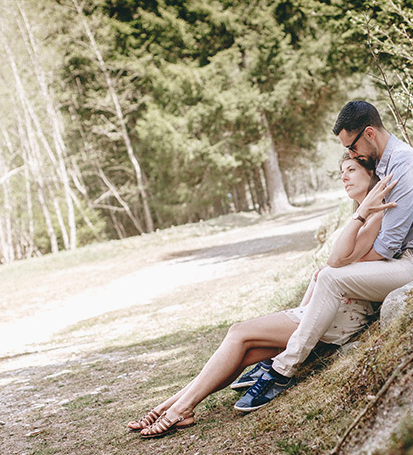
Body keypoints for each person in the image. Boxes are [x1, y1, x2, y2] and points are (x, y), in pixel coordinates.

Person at [128, 155, 396, 438]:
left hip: (340, 314)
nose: (344, 177)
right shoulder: (365, 213)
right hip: (328, 310)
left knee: (239, 333)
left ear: (372, 176)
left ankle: (180, 409)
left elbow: (335, 261)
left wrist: (363, 211)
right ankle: (170, 406)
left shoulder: (376, 215)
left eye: (352, 170)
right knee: (245, 353)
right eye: (341, 171)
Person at [234, 100, 413, 412]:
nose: (351, 155)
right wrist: (341, 259)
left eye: (352, 147)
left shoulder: (404, 166)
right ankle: (283, 357)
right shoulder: (387, 164)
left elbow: (386, 247)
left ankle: (282, 369)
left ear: (370, 133)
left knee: (332, 277)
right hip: (403, 260)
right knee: (328, 273)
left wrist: (341, 263)